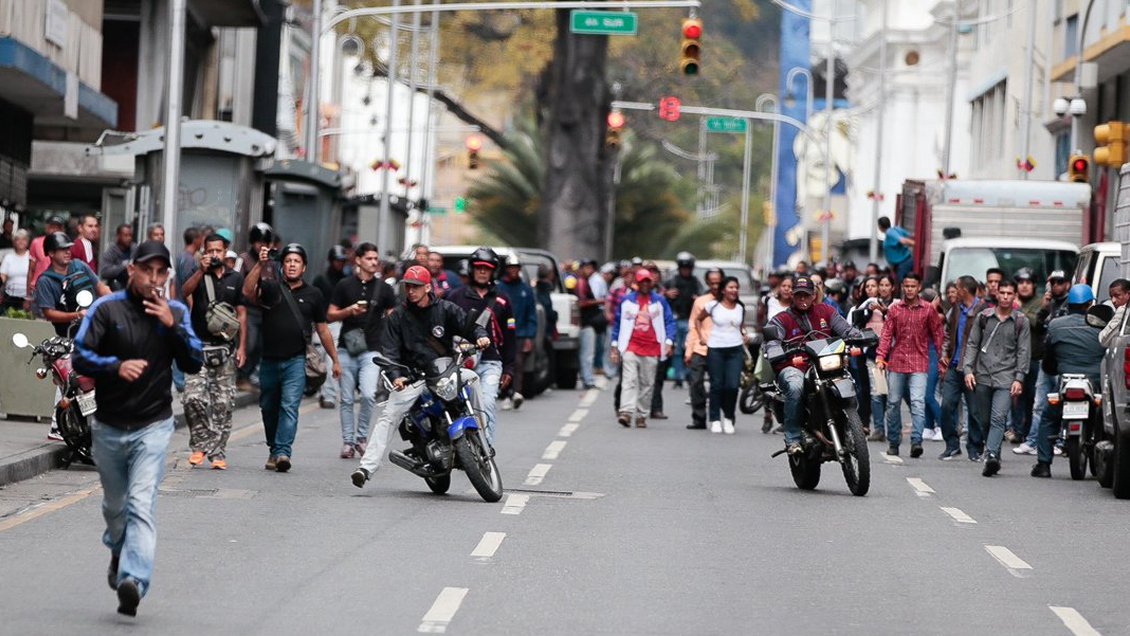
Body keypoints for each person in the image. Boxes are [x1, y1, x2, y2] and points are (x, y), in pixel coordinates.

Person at [72, 240, 204, 617]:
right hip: (109, 426)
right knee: (116, 508)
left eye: (162, 272)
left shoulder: (175, 311)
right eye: (148, 270)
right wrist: (115, 366)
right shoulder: (105, 308)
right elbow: (80, 356)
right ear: (132, 270)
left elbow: (194, 362)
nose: (154, 278)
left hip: (153, 425)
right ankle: (118, 552)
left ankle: (134, 580)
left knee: (141, 503)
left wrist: (171, 326)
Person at [350, 265, 490, 487]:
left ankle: (483, 434)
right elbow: (390, 351)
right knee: (388, 416)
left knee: (473, 378)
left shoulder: (445, 309)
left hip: (445, 371)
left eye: (415, 287)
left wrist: (480, 336)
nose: (411, 291)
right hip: (413, 378)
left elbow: (468, 325)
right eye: (408, 287)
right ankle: (366, 468)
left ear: (427, 287)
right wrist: (396, 376)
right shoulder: (397, 317)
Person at [244, 243, 341, 471]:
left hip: (296, 361)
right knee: (269, 407)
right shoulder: (271, 288)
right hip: (268, 361)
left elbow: (323, 329)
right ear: (282, 265)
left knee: (289, 406)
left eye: (297, 261)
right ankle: (273, 449)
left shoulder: (314, 294)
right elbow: (248, 292)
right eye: (288, 261)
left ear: (304, 267)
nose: (292, 265)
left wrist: (335, 359)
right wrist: (261, 264)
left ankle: (282, 453)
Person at [766, 276, 863, 455]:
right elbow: (772, 341)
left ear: (814, 295)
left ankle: (851, 426)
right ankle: (793, 438)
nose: (803, 299)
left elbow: (845, 329)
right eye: (799, 295)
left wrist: (860, 336)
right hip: (795, 366)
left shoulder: (827, 311)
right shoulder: (781, 319)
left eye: (806, 295)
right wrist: (774, 350)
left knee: (847, 378)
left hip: (825, 364)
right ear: (792, 296)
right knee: (795, 386)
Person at [179, 233, 247, 470]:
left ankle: (217, 453)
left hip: (225, 350)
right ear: (204, 252)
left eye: (218, 251)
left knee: (223, 403)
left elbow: (242, 314)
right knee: (192, 398)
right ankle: (200, 444)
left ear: (225, 251)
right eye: (210, 251)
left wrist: (243, 347)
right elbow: (183, 292)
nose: (214, 255)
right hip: (198, 349)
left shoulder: (235, 279)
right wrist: (200, 270)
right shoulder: (198, 275)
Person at [327, 242, 398, 458]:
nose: (374, 262)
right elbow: (330, 315)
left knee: (368, 395)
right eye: (369, 258)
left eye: (376, 259)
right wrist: (348, 311)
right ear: (358, 260)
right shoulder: (344, 285)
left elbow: (393, 315)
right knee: (347, 398)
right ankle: (348, 441)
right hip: (347, 349)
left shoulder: (384, 288)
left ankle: (361, 438)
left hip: (372, 350)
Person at [1031, 284, 1104, 478]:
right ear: (1090, 304)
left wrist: (1054, 369)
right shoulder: (1102, 325)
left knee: (1049, 418)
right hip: (1094, 381)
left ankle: (1044, 464)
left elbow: (1049, 357)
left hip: (1066, 380)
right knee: (1104, 419)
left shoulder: (1056, 325)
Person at [449, 248, 517, 445]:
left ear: (493, 272)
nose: (482, 272)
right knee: (454, 406)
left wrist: (510, 369)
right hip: (459, 362)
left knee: (486, 403)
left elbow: (511, 337)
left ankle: (485, 451)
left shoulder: (503, 300)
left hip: (490, 362)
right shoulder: (454, 296)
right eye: (478, 268)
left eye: (487, 269)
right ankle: (458, 449)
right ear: (471, 269)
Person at [962, 279, 1030, 476]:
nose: (1006, 297)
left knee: (998, 417)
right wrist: (968, 370)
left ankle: (990, 454)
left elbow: (1023, 351)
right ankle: (994, 454)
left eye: (1010, 293)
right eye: (1003, 293)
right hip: (983, 375)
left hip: (1006, 377)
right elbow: (973, 344)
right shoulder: (984, 317)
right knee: (984, 420)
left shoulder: (1021, 321)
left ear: (1014, 296)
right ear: (997, 295)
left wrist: (1019, 378)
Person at [874, 273, 945, 457]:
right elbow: (886, 335)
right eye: (906, 286)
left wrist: (942, 359)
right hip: (897, 362)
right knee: (893, 403)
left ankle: (916, 441)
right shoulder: (895, 309)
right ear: (902, 287)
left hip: (920, 362)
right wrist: (881, 357)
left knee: (918, 402)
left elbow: (938, 335)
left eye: (913, 286)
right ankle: (894, 442)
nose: (910, 290)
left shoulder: (928, 310)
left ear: (919, 287)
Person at [610, 269, 676, 428]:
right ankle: (626, 412)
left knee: (647, 383)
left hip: (652, 348)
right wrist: (614, 347)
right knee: (629, 380)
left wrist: (669, 341)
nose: (645, 284)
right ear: (637, 284)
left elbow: (669, 321)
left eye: (648, 281)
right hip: (631, 346)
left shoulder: (660, 301)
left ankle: (641, 415)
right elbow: (618, 324)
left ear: (651, 283)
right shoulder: (627, 301)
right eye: (642, 282)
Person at [1016, 270, 1072, 455]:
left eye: (1060, 281)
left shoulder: (1072, 303)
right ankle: (1032, 440)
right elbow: (1039, 328)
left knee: (1066, 404)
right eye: (1052, 282)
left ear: (1067, 284)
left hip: (1065, 360)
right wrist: (1044, 307)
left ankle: (1062, 442)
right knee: (1039, 404)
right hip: (1046, 360)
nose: (1056, 285)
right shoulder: (1048, 304)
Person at [701, 276, 748, 434]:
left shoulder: (740, 307)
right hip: (716, 348)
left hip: (735, 349)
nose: (734, 290)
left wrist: (744, 334)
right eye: (730, 287)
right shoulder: (713, 306)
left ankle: (728, 417)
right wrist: (702, 336)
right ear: (723, 290)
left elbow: (741, 326)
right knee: (716, 385)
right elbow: (697, 319)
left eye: (736, 287)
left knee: (733, 386)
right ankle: (714, 418)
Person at [849, 276, 891, 440]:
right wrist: (869, 310)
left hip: (893, 354)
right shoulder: (865, 306)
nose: (874, 289)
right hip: (872, 354)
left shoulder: (895, 305)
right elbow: (856, 324)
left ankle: (891, 429)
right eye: (871, 286)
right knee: (874, 391)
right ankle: (878, 428)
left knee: (890, 394)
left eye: (881, 285)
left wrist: (883, 311)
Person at [1007, 268, 1043, 447]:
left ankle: (1029, 432)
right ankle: (1018, 430)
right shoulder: (1011, 302)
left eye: (1028, 282)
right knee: (1017, 395)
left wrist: (1019, 309)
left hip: (1034, 357)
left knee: (1033, 397)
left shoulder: (1040, 302)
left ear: (1034, 285)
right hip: (1014, 358)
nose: (1024, 286)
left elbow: (1035, 321)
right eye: (1021, 282)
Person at [236, 223, 275, 389]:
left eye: (265, 243)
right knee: (249, 344)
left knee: (260, 346)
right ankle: (241, 377)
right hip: (247, 309)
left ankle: (249, 375)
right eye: (259, 242)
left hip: (264, 311)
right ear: (253, 242)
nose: (262, 246)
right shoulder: (243, 259)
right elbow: (237, 282)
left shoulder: (270, 263)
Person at [684, 268, 724, 430]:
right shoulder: (701, 302)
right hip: (700, 349)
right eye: (712, 283)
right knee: (695, 383)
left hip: (720, 349)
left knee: (720, 385)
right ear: (707, 283)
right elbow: (693, 327)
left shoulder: (729, 302)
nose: (715, 286)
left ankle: (720, 417)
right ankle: (699, 418)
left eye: (718, 282)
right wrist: (689, 351)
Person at [497, 252, 537, 410]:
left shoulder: (525, 289)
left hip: (520, 333)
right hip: (502, 333)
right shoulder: (500, 287)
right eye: (510, 268)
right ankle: (506, 393)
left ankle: (517, 392)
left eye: (516, 268)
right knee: (503, 364)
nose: (513, 271)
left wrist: (530, 336)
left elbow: (531, 313)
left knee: (518, 364)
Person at [313, 245, 350, 409]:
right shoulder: (321, 280)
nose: (340, 264)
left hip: (335, 325)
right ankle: (322, 391)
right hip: (318, 325)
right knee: (317, 360)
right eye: (337, 261)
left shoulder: (346, 282)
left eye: (342, 261)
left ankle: (329, 394)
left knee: (331, 360)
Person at [664, 252, 704, 391]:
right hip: (676, 319)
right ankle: (678, 377)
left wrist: (697, 299)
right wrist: (667, 294)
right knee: (676, 350)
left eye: (688, 268)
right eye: (683, 268)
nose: (686, 270)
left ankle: (689, 375)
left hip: (690, 320)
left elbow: (702, 298)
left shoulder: (696, 282)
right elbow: (662, 297)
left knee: (690, 349)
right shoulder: (672, 281)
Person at [574, 259, 605, 390]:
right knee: (587, 354)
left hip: (589, 323)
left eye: (590, 268)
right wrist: (598, 302)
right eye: (586, 268)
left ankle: (587, 378)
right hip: (587, 323)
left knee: (587, 353)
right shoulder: (581, 282)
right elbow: (581, 302)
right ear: (581, 269)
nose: (589, 271)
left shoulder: (585, 281)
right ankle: (588, 380)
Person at [26, 215, 66, 303]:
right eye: (52, 227)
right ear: (47, 228)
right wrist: (28, 296)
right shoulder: (36, 242)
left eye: (58, 228)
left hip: (58, 288)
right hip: (37, 288)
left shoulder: (66, 246)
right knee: (37, 315)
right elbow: (31, 270)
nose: (55, 230)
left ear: (62, 230)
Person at [0, 228, 30, 314]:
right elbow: (3, 276)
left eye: (24, 239)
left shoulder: (31, 257)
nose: (21, 242)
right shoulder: (8, 257)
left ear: (27, 242)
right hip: (10, 297)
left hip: (26, 298)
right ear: (14, 242)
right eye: (18, 239)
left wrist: (29, 298)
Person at [877, 215, 914, 283]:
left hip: (903, 263)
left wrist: (915, 244)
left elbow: (903, 240)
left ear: (880, 226)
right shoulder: (896, 229)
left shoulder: (889, 232)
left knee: (902, 283)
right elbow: (911, 235)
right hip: (902, 263)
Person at [100, 223, 136, 291]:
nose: (129, 238)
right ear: (118, 236)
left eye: (130, 235)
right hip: (116, 285)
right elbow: (104, 272)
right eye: (125, 235)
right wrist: (124, 266)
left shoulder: (134, 249)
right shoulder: (111, 251)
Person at [1099, 278, 1130, 347]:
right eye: (1111, 296)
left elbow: (1103, 340)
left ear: (1128, 294)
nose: (1113, 300)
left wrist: (1121, 311)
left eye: (1117, 295)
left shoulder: (1123, 311)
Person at [175, 226, 202, 299]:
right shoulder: (189, 260)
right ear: (195, 240)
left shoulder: (180, 256)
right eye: (200, 239)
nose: (201, 242)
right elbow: (188, 284)